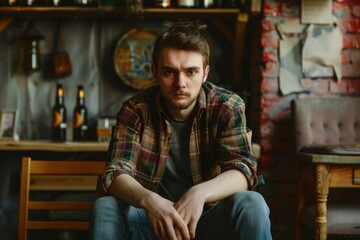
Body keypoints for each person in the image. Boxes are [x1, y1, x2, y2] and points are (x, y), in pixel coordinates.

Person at [90, 20, 272, 240]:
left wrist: (200, 193)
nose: (180, 83)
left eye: (191, 72)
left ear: (205, 73)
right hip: (153, 221)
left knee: (252, 203)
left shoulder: (227, 106)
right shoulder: (135, 110)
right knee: (106, 207)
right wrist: (150, 201)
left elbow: (243, 170)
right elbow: (115, 172)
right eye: (169, 72)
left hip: (210, 220)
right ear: (155, 72)